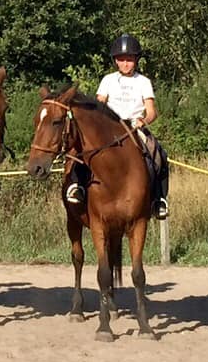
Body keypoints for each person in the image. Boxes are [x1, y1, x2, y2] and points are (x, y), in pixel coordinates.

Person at [67, 34, 169, 221]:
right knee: (84, 150)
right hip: (109, 128)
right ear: (115, 61)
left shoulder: (143, 82)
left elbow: (152, 112)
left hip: (133, 127)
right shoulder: (108, 80)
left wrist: (142, 121)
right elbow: (99, 105)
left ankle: (158, 199)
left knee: (159, 154)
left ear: (136, 60)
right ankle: (78, 186)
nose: (125, 63)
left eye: (129, 59)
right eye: (121, 60)